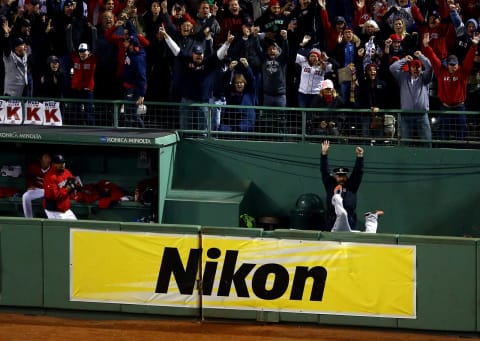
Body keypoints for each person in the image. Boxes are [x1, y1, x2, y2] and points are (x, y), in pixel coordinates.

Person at [422, 32, 480, 141]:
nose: (453, 67)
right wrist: (427, 47)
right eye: (451, 64)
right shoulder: (441, 71)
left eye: (455, 64)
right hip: (446, 107)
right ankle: (442, 150)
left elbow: (468, 60)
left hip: (460, 107)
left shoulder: (463, 72)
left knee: (462, 132)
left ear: (458, 64)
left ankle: (462, 152)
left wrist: (473, 46)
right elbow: (434, 59)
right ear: (447, 64)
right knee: (443, 133)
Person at [320, 140, 382, 232]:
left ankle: (371, 221)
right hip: (331, 219)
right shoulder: (330, 184)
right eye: (339, 176)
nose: (341, 178)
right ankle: (371, 221)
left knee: (348, 242)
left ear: (346, 176)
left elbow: (358, 172)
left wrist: (360, 157)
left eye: (343, 176)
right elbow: (324, 170)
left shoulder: (352, 185)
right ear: (336, 177)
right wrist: (324, 154)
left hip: (349, 219)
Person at [389, 51, 433, 147]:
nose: (416, 69)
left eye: (418, 67)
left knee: (427, 143)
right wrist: (404, 59)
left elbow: (429, 67)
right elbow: (392, 68)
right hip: (406, 116)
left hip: (421, 116)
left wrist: (421, 56)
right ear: (410, 68)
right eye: (413, 67)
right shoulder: (403, 77)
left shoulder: (425, 78)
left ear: (421, 68)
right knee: (405, 143)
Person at [43, 154, 78, 220]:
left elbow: (73, 180)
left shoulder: (66, 172)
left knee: (76, 226)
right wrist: (67, 189)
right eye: (59, 163)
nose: (62, 165)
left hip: (65, 208)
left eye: (63, 162)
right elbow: (55, 196)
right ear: (53, 164)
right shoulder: (50, 177)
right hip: (54, 210)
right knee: (61, 229)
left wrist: (75, 183)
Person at [22, 153, 51, 218]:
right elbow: (29, 177)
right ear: (40, 160)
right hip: (38, 190)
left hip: (49, 190)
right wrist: (30, 185)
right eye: (46, 158)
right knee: (26, 196)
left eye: (49, 158)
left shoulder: (53, 169)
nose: (48, 160)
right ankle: (29, 219)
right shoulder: (33, 167)